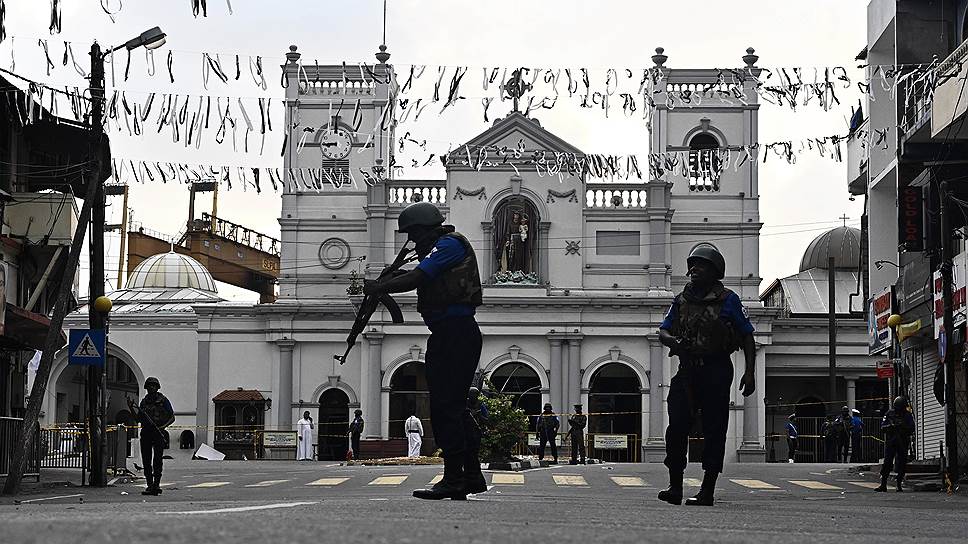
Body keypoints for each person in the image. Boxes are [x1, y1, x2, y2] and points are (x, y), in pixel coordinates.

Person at [363, 201, 484, 500]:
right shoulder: (438, 248)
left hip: (455, 332)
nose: (412, 241)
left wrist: (380, 288)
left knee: (446, 408)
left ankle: (455, 478)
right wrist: (388, 280)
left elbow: (418, 277)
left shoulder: (449, 244)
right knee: (453, 407)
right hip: (448, 333)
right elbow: (418, 272)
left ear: (426, 229)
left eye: (414, 234)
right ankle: (470, 476)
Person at [656, 244, 756, 507]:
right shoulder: (681, 300)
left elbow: (747, 335)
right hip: (687, 370)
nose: (694, 270)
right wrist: (672, 341)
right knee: (676, 427)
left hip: (716, 370)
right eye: (692, 265)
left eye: (700, 265)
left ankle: (707, 490)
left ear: (714, 271)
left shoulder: (729, 300)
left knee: (714, 429)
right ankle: (675, 486)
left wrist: (750, 373)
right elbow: (664, 330)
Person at [126, 377, 174, 496]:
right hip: (146, 432)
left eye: (153, 385)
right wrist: (131, 407)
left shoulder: (163, 400)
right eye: (149, 386)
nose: (151, 387)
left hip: (158, 432)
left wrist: (162, 427)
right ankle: (149, 485)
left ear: (157, 387)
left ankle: (156, 484)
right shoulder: (144, 402)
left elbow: (172, 417)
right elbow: (138, 419)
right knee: (146, 460)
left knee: (157, 460)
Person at [876, 396, 915, 492]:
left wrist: (903, 427)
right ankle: (883, 484)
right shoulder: (889, 414)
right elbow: (883, 427)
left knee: (901, 463)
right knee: (887, 463)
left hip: (902, 441)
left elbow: (912, 428)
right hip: (891, 441)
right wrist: (891, 426)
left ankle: (899, 484)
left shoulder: (907, 415)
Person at [463, 387, 488, 494]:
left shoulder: (480, 406)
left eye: (475, 395)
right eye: (471, 395)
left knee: (473, 457)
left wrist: (479, 415)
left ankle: (475, 483)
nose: (473, 397)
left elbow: (487, 420)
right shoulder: (464, 405)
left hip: (475, 434)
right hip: (465, 434)